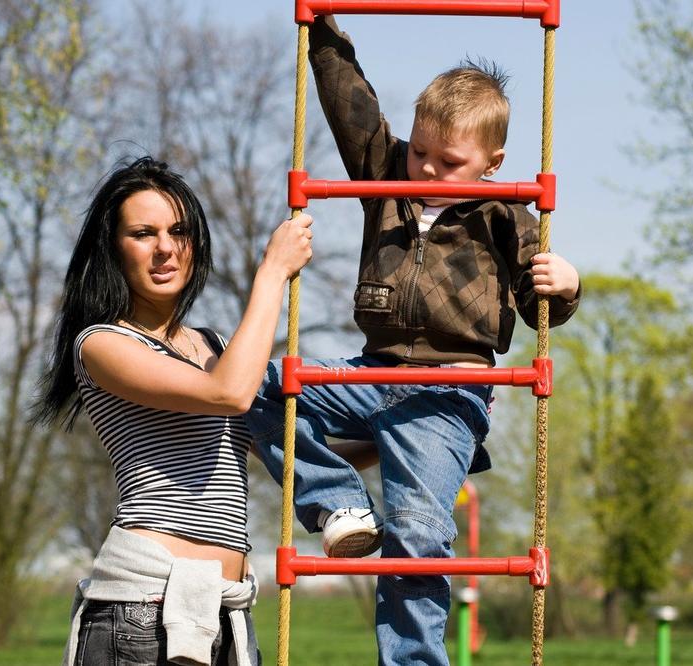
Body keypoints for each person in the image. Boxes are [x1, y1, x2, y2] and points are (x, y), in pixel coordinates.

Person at [244, 16, 582, 666]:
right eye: (421, 150)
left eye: (449, 162)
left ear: (493, 164)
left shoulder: (505, 214)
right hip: (371, 373)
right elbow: (350, 102)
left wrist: (564, 286)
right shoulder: (387, 176)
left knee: (418, 536)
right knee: (256, 384)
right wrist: (322, 31)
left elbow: (544, 305)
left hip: (450, 388)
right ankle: (339, 502)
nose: (426, 167)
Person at [33, 156, 314, 666]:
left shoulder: (214, 345)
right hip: (142, 612)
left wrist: (407, 438)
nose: (165, 247)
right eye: (143, 233)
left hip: (224, 612)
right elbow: (229, 394)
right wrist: (273, 271)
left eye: (178, 230)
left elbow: (290, 450)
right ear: (113, 249)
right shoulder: (102, 344)